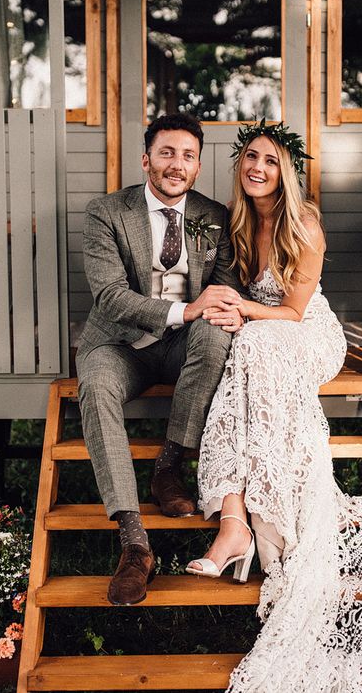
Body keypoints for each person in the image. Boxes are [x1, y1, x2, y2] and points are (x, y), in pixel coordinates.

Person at [186, 121, 362, 692]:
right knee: (245, 354)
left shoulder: (305, 223)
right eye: (251, 157)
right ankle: (235, 522)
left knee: (257, 344)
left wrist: (243, 313)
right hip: (260, 334)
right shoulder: (238, 219)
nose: (258, 168)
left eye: (270, 161)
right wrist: (231, 310)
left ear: (286, 172)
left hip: (310, 334)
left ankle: (253, 523)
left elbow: (295, 314)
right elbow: (236, 294)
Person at [76, 113, 245, 606]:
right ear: (147, 158)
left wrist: (225, 310)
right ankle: (134, 545)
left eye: (188, 156)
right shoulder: (106, 212)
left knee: (215, 338)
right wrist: (184, 309)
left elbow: (228, 284)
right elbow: (108, 295)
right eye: (167, 153)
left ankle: (168, 468)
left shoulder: (214, 216)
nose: (177, 165)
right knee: (96, 386)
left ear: (197, 166)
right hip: (119, 342)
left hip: (182, 345)